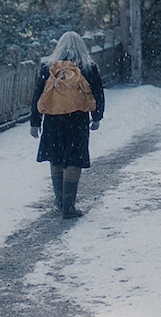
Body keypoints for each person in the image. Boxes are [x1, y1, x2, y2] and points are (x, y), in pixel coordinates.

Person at [30, 31, 105, 219]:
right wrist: (96, 117)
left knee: (55, 157)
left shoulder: (49, 67)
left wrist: (35, 122)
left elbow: (38, 94)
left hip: (53, 120)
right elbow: (98, 94)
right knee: (73, 160)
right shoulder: (88, 67)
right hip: (77, 120)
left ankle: (60, 201)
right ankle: (69, 207)